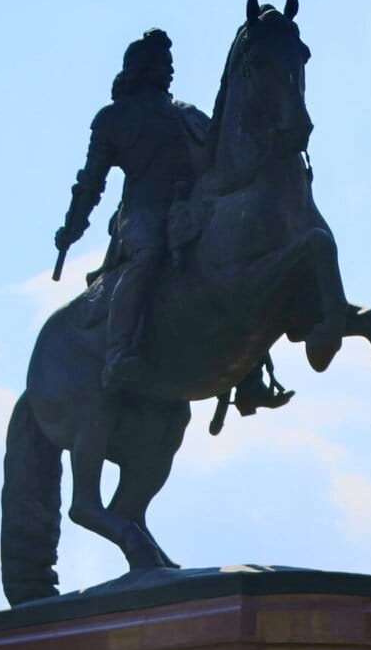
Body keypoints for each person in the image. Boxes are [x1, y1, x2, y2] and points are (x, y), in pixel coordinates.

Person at [55, 28, 289, 416]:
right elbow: (90, 183)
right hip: (142, 214)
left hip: (191, 210)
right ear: (142, 69)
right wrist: (73, 227)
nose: (168, 71)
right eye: (161, 64)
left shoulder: (189, 115)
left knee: (240, 258)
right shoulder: (115, 119)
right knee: (148, 256)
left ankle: (249, 376)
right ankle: (119, 352)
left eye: (170, 65)